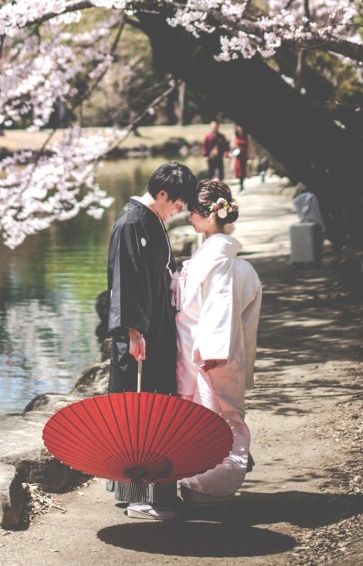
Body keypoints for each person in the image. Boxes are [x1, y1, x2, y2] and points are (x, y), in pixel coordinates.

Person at [106, 161, 198, 521]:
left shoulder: (152, 222)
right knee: (135, 413)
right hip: (138, 336)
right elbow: (125, 280)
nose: (180, 210)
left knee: (156, 409)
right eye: (177, 203)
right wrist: (132, 331)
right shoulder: (131, 223)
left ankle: (154, 491)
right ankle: (135, 496)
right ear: (162, 194)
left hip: (155, 329)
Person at [175, 179, 262, 510]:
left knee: (217, 417)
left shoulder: (220, 256)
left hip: (211, 352)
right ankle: (205, 486)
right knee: (211, 416)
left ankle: (212, 491)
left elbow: (220, 304)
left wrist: (212, 351)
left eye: (194, 214)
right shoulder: (224, 256)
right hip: (211, 348)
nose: (189, 220)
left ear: (210, 215)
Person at [231, 125, 250, 191]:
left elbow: (248, 146)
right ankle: (240, 185)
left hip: (244, 156)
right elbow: (232, 146)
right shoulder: (235, 136)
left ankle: (242, 186)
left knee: (244, 172)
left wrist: (249, 156)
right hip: (238, 157)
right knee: (238, 172)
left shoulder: (246, 136)